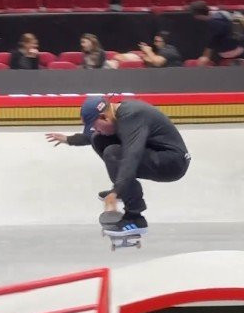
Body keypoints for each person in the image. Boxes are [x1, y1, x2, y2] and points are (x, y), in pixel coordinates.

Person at [42, 95, 192, 232]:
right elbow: (90, 136)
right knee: (98, 139)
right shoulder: (115, 113)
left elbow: (132, 156)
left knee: (113, 152)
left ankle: (135, 217)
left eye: (96, 125)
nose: (96, 130)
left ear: (104, 117)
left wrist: (116, 190)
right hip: (156, 153)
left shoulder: (132, 116)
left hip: (173, 163)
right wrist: (69, 140)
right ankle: (125, 190)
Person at [188, 0, 244, 66]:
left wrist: (205, 57)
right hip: (239, 50)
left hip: (230, 55)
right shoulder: (222, 13)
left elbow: (212, 42)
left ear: (197, 16)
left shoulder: (214, 23)